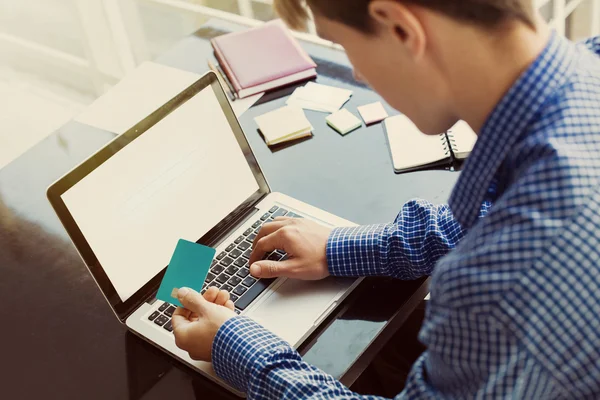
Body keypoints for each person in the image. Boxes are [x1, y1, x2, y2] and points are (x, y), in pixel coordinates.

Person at [171, 0, 600, 397]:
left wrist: (237, 347)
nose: (357, 73)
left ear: (400, 28)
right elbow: (491, 213)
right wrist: (346, 246)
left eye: (342, 44)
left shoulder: (497, 284)